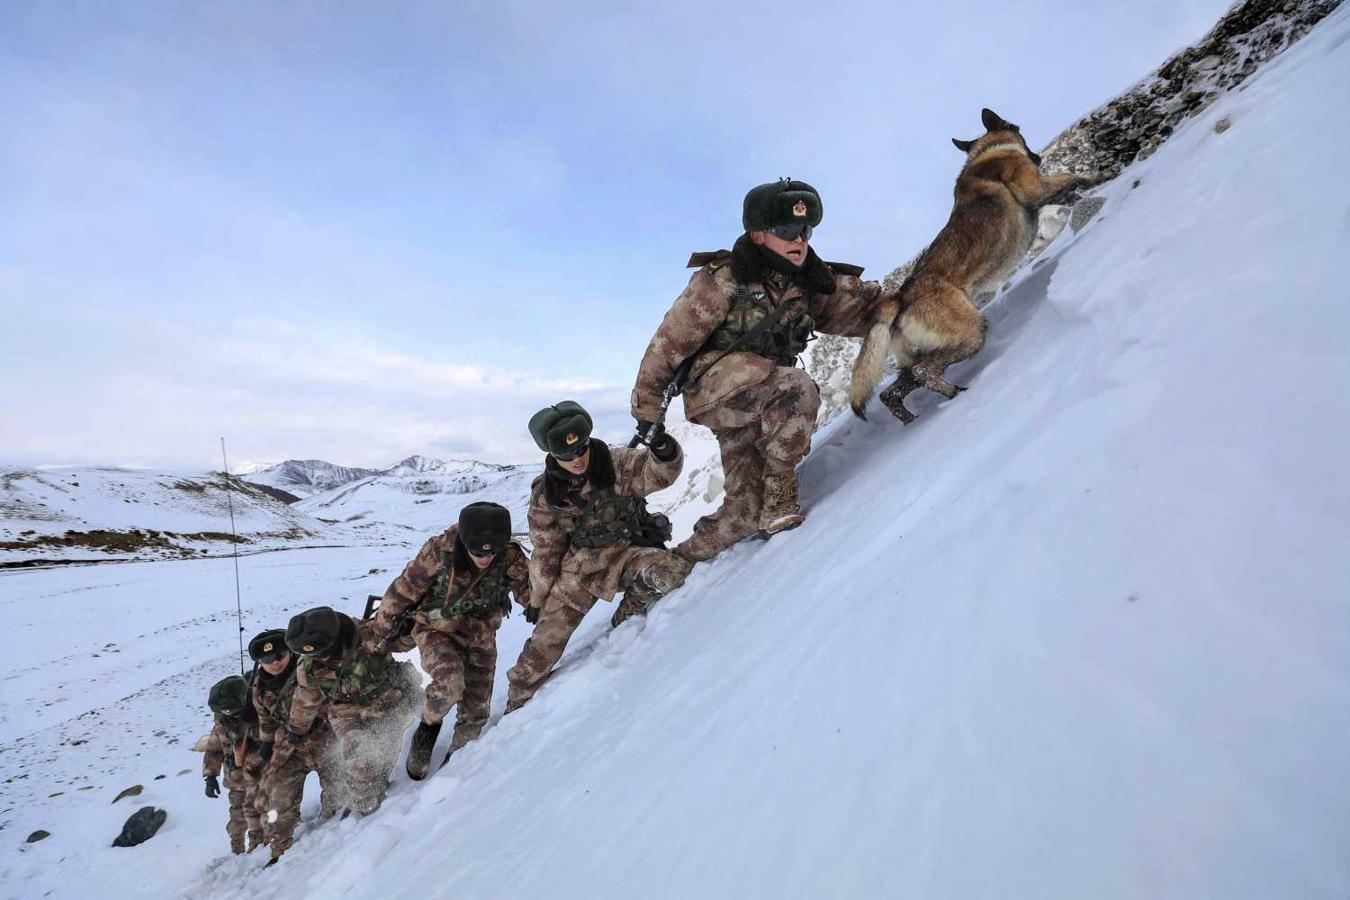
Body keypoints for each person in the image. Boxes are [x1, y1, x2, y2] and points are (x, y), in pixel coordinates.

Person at [631, 178, 895, 561]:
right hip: (717, 389)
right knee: (797, 387)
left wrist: (916, 302)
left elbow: (864, 310)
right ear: (757, 236)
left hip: (762, 402)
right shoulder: (723, 280)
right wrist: (646, 411)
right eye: (786, 230)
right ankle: (780, 499)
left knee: (741, 515)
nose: (799, 239)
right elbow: (668, 344)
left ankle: (672, 567)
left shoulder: (812, 284)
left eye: (805, 230)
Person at [505, 401, 691, 711]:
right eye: (566, 455)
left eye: (581, 449)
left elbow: (659, 474)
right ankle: (514, 706)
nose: (577, 459)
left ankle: (630, 607)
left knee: (670, 573)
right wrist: (537, 601)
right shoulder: (545, 495)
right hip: (579, 570)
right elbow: (546, 552)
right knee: (539, 653)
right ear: (552, 456)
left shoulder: (616, 462)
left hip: (626, 552)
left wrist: (660, 445)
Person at [368, 501, 532, 780]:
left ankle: (459, 769)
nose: (484, 557)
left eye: (491, 552)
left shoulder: (510, 556)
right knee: (449, 685)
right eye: (477, 551)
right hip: (436, 629)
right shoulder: (437, 552)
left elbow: (529, 590)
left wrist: (537, 605)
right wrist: (379, 634)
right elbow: (402, 592)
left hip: (481, 634)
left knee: (476, 711)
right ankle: (428, 726)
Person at [267, 606, 422, 820]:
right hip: (347, 713)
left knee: (389, 758)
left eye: (322, 651)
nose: (319, 657)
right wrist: (296, 730)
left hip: (392, 702)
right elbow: (305, 701)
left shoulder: (370, 635)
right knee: (359, 755)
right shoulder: (309, 668)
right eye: (313, 653)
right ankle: (365, 812)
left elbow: (407, 642)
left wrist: (408, 627)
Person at [247, 628, 340, 864]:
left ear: (290, 652)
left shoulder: (311, 669)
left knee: (338, 793)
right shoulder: (259, 688)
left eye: (279, 656)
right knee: (277, 801)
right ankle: (278, 850)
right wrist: (266, 745)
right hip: (289, 749)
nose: (274, 663)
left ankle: (337, 828)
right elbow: (266, 720)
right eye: (267, 660)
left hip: (325, 738)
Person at [202, 674, 266, 855]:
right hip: (236, 777)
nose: (226, 712)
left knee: (263, 808)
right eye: (223, 710)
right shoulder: (222, 721)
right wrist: (210, 776)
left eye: (229, 709)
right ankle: (237, 850)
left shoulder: (260, 709)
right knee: (237, 816)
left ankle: (260, 844)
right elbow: (214, 748)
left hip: (263, 773)